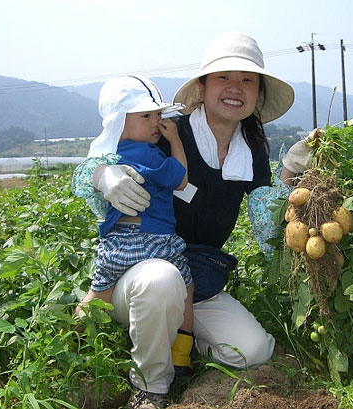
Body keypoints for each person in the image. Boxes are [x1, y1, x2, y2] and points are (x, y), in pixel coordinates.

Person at [72, 32, 313, 409]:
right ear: (201, 87)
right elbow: (102, 151)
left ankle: (171, 339)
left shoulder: (249, 148)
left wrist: (289, 173)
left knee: (251, 351)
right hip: (137, 273)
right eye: (223, 77)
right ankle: (151, 384)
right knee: (161, 279)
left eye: (247, 80)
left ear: (258, 92)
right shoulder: (168, 131)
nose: (235, 88)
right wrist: (102, 175)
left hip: (196, 277)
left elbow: (268, 219)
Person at [74, 75, 197, 380]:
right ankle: (181, 354)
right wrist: (176, 141)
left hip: (116, 243)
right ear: (119, 122)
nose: (157, 121)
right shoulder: (151, 155)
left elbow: (82, 177)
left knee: (97, 295)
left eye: (158, 114)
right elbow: (180, 179)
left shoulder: (111, 156)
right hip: (156, 240)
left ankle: (68, 342)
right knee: (186, 288)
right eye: (146, 115)